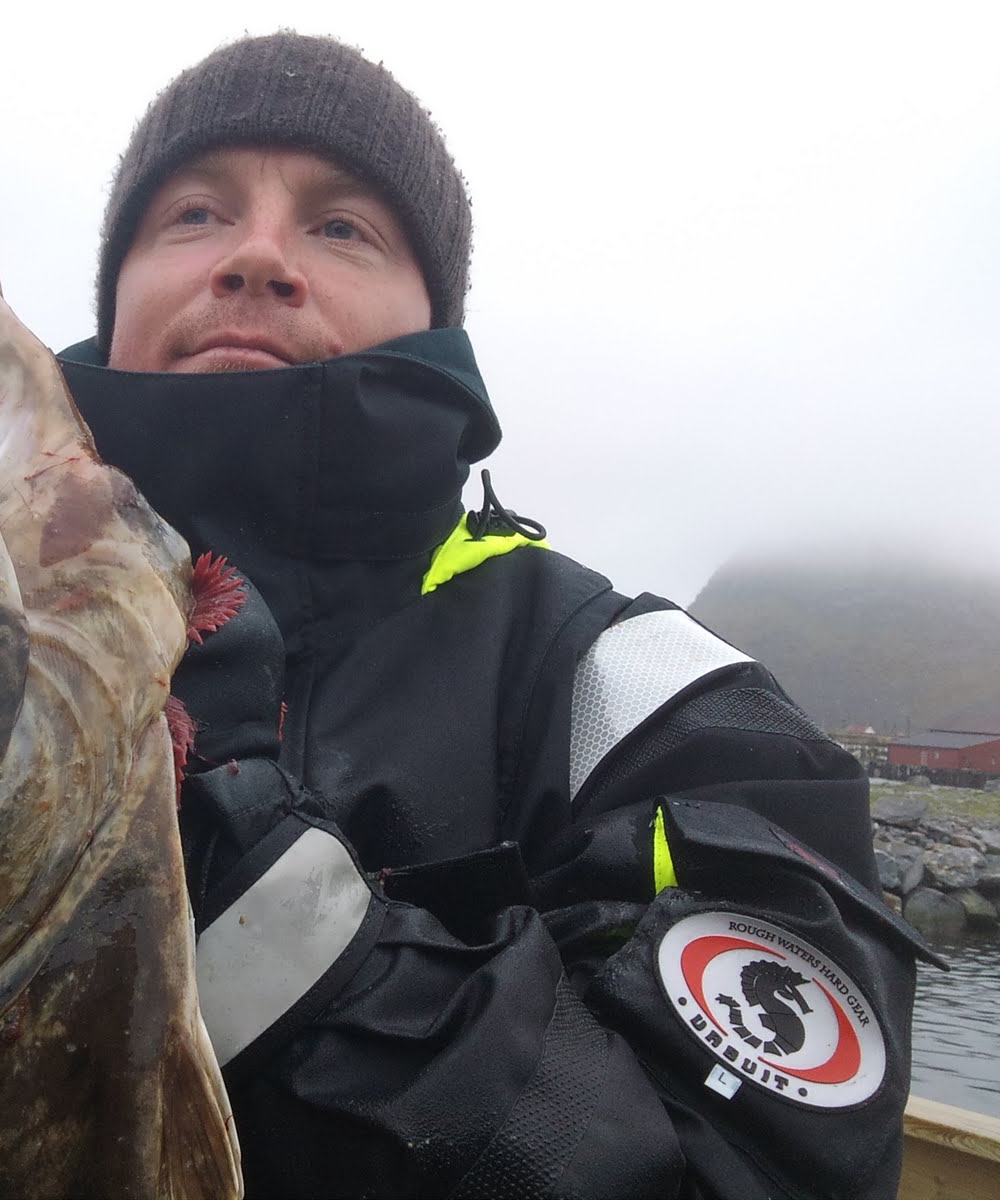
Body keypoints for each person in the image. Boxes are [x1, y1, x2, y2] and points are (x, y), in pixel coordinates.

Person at [54, 32, 931, 1199]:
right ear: (114, 295)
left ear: (435, 319)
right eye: (195, 214)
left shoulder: (644, 704)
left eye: (340, 226)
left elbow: (745, 1174)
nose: (256, 256)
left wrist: (259, 890)